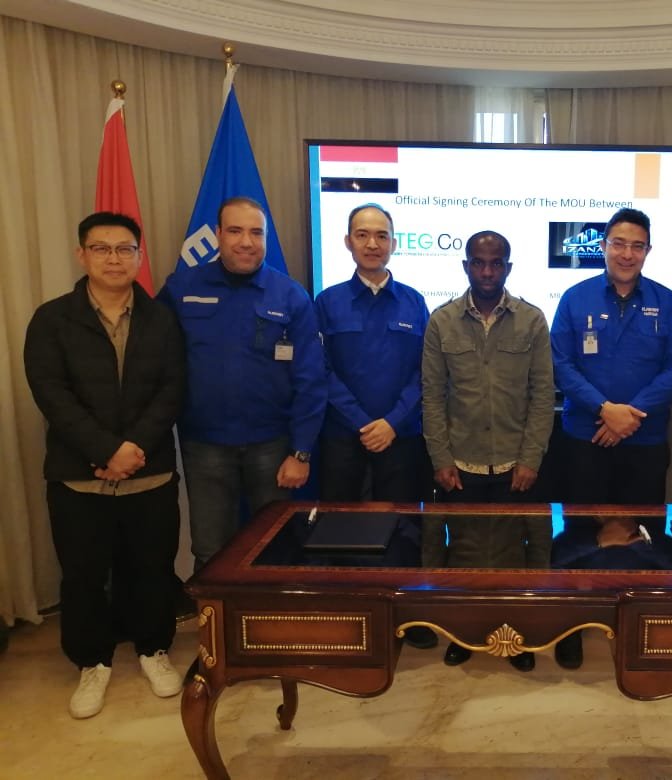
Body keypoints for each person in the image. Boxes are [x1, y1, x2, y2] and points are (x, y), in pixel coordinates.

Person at [24, 212, 185, 718]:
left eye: (124, 249)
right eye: (101, 248)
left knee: (152, 569)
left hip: (149, 472)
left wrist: (132, 449)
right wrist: (105, 451)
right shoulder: (52, 319)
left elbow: (172, 389)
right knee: (83, 575)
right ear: (82, 255)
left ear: (139, 255)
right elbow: (51, 394)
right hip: (80, 477)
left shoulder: (162, 318)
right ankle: (91, 662)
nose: (114, 258)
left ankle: (153, 649)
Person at [549, 207, 672, 669]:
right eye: (618, 244)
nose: (627, 254)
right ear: (604, 246)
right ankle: (573, 626)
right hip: (584, 438)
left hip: (644, 441)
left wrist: (630, 414)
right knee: (580, 531)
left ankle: (636, 628)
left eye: (637, 246)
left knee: (642, 534)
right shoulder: (575, 298)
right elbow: (560, 364)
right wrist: (605, 410)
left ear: (647, 251)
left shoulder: (666, 301)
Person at [159, 196, 326, 571]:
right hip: (204, 445)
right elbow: (153, 355)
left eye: (256, 232)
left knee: (276, 548)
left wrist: (301, 452)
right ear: (218, 234)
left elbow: (311, 379)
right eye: (235, 231)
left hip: (273, 446)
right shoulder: (182, 288)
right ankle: (216, 613)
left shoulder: (290, 295)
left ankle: (268, 613)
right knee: (211, 550)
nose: (246, 242)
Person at [422, 230, 555, 672]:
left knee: (516, 556)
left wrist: (531, 459)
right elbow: (432, 396)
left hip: (517, 463)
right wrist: (441, 458)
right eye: (478, 262)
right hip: (462, 463)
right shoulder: (441, 321)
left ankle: (517, 635)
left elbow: (542, 395)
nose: (486, 271)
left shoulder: (532, 320)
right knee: (466, 553)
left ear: (507, 268)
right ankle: (466, 633)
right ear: (465, 266)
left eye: (496, 263)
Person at [315, 203, 436, 650]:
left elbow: (425, 372)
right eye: (363, 235)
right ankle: (348, 616)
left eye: (381, 235)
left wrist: (392, 422)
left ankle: (404, 615)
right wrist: (364, 421)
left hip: (401, 438)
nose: (372, 243)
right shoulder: (327, 302)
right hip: (342, 438)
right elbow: (321, 369)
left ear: (394, 243)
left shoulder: (414, 302)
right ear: (348, 242)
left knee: (403, 526)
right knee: (340, 527)